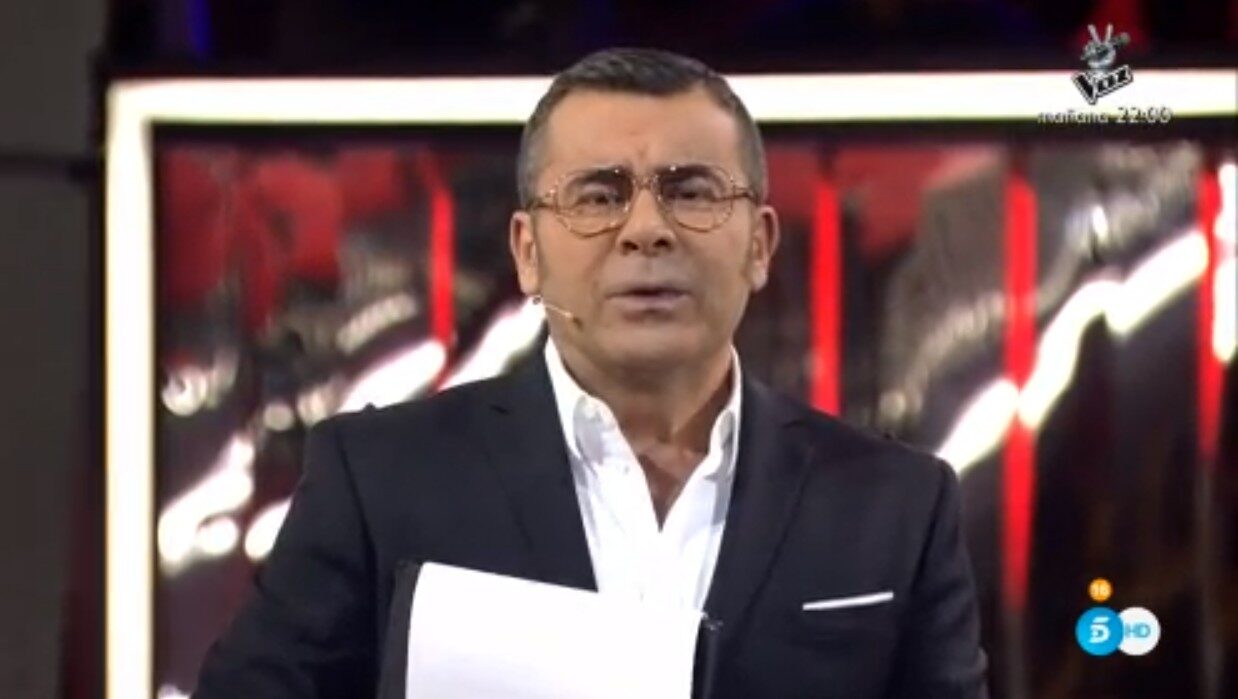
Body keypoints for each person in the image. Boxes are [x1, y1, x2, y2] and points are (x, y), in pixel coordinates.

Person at [195, 47, 988, 698]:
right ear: (527, 252)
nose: (646, 229)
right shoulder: (379, 480)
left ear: (760, 244)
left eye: (692, 192)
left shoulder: (896, 506)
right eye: (598, 196)